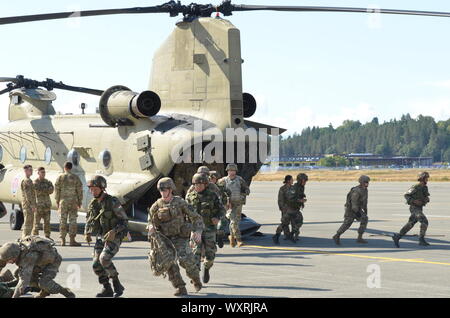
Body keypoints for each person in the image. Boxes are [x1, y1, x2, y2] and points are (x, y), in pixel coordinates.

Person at [147, 177, 204, 296]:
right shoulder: (156, 206)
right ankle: (180, 286)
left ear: (171, 189)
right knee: (169, 263)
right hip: (165, 240)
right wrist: (151, 227)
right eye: (161, 189)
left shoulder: (180, 202)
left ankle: (196, 279)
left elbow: (196, 217)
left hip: (180, 236)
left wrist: (197, 231)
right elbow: (150, 221)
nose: (163, 192)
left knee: (186, 260)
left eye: (165, 189)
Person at [84, 175, 128, 297]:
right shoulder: (93, 204)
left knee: (104, 259)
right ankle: (106, 288)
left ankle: (116, 284)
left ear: (102, 188)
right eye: (91, 189)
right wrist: (87, 232)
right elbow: (89, 219)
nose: (92, 191)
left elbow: (124, 221)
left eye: (95, 189)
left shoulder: (112, 202)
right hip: (101, 237)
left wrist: (114, 231)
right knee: (96, 264)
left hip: (115, 236)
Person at [0, 236, 75, 298]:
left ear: (14, 257)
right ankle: (44, 290)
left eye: (9, 260)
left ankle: (66, 293)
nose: (8, 262)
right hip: (38, 263)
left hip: (52, 262)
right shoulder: (15, 248)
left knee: (44, 283)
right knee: (16, 273)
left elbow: (23, 281)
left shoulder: (28, 257)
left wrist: (14, 296)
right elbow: (2, 261)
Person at [186, 173, 225, 284]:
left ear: (205, 184)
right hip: (195, 230)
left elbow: (221, 209)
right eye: (195, 184)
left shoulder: (212, 195)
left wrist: (217, 217)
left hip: (209, 229)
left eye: (199, 184)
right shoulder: (190, 197)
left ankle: (206, 268)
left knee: (210, 254)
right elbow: (185, 213)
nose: (197, 186)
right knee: (195, 253)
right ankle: (195, 276)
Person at [393, 172, 431, 247]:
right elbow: (406, 195)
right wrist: (413, 201)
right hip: (414, 208)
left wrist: (426, 199)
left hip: (419, 208)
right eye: (426, 178)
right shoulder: (416, 186)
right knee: (424, 221)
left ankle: (397, 236)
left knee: (410, 224)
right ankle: (421, 239)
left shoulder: (425, 187)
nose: (427, 180)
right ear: (422, 179)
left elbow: (426, 196)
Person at [218, 164, 250, 247]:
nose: (232, 172)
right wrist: (225, 200)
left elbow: (247, 189)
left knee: (235, 221)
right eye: (230, 171)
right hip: (228, 204)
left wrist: (243, 194)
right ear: (227, 171)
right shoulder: (223, 181)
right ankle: (239, 239)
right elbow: (218, 192)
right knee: (233, 221)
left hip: (238, 203)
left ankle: (231, 236)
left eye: (233, 171)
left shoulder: (240, 180)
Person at [333, 175, 370, 245]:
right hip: (350, 210)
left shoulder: (365, 190)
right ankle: (337, 235)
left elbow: (365, 201)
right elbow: (354, 203)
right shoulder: (356, 191)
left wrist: (365, 210)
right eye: (365, 182)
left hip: (358, 209)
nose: (367, 183)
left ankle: (359, 238)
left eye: (368, 182)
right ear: (361, 182)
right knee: (347, 224)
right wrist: (358, 213)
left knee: (365, 219)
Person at [55, 161, 83, 246]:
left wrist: (57, 201)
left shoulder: (60, 177)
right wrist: (79, 201)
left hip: (63, 202)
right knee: (73, 220)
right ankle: (72, 240)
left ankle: (62, 240)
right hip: (73, 201)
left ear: (65, 168)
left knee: (62, 220)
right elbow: (79, 191)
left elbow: (57, 190)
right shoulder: (75, 177)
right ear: (71, 168)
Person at [273, 174, 307, 244]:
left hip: (295, 208)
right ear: (300, 180)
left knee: (297, 222)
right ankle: (278, 236)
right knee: (285, 224)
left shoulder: (301, 187)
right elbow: (290, 199)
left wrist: (301, 202)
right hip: (289, 209)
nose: (305, 182)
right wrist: (299, 201)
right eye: (304, 180)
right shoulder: (294, 188)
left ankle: (290, 235)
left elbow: (299, 196)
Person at [209, 171, 230, 248]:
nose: (212, 180)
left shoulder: (220, 187)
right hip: (209, 209)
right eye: (211, 178)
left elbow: (227, 194)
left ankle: (219, 235)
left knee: (223, 222)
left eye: (214, 178)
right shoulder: (205, 186)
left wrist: (227, 203)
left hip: (219, 208)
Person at [33, 167, 54, 238]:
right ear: (38, 173)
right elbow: (37, 191)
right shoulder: (35, 182)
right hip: (38, 205)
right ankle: (35, 237)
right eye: (42, 172)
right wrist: (46, 190)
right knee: (36, 223)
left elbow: (51, 190)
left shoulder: (48, 182)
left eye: (44, 172)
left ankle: (47, 236)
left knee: (47, 223)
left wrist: (43, 190)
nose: (43, 174)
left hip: (46, 205)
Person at [273, 175, 294, 244]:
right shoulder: (282, 189)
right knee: (285, 222)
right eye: (291, 179)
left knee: (291, 222)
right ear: (288, 180)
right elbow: (280, 199)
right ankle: (279, 235)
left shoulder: (293, 188)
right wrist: (282, 208)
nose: (292, 180)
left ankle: (289, 235)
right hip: (286, 208)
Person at [21, 165, 37, 239]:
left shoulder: (29, 180)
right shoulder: (26, 181)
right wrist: (32, 206)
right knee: (27, 222)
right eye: (30, 169)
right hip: (28, 206)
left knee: (30, 222)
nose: (31, 171)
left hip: (30, 205)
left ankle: (27, 237)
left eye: (32, 169)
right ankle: (25, 238)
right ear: (26, 171)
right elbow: (28, 196)